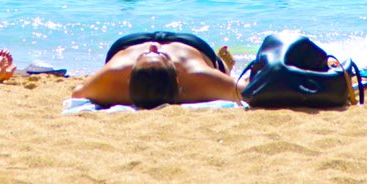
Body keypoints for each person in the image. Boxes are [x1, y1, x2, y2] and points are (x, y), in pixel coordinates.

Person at [72, 33, 241, 108]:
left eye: (144, 55)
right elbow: (241, 90)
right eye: (163, 56)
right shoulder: (195, 75)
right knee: (220, 71)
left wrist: (116, 94)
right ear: (177, 76)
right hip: (187, 46)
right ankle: (225, 66)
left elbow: (77, 93)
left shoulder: (115, 74)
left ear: (129, 75)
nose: (153, 45)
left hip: (129, 43)